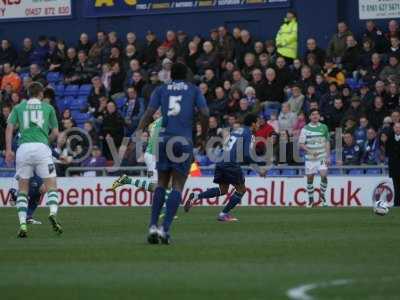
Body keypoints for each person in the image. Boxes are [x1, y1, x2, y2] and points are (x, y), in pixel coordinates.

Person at [113, 63, 209, 244]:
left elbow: (149, 112)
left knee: (161, 183)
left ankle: (152, 226)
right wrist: (202, 136)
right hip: (183, 140)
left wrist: (139, 129)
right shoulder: (193, 90)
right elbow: (205, 112)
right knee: (178, 186)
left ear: (171, 75)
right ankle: (165, 229)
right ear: (187, 75)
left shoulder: (161, 89)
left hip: (164, 140)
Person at [5, 82, 62, 238]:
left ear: (28, 93)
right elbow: (56, 132)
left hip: (23, 149)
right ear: (41, 94)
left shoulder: (18, 107)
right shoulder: (48, 108)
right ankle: (52, 213)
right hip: (41, 148)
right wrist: (46, 141)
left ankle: (23, 222)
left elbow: (9, 128)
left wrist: (9, 150)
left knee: (22, 190)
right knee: (51, 186)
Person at [184, 114, 266, 221]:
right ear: (253, 124)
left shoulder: (236, 131)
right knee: (241, 190)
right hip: (230, 164)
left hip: (221, 161)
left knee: (223, 190)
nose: (259, 125)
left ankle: (196, 196)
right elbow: (246, 155)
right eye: (258, 122)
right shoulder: (248, 133)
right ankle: (223, 214)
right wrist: (259, 169)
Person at [299, 109, 330, 207]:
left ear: (319, 116)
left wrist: (328, 156)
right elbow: (301, 144)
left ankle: (322, 197)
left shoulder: (324, 127)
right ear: (310, 117)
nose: (315, 116)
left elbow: (327, 142)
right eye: (313, 114)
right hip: (310, 159)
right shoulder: (305, 129)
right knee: (310, 179)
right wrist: (310, 151)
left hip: (321, 157)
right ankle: (311, 200)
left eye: (317, 114)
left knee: (324, 175)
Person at [381, 122, 400, 207]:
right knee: (396, 186)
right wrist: (383, 142)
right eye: (396, 127)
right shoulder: (389, 139)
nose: (397, 129)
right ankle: (396, 204)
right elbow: (386, 153)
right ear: (393, 128)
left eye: (399, 127)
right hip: (394, 166)